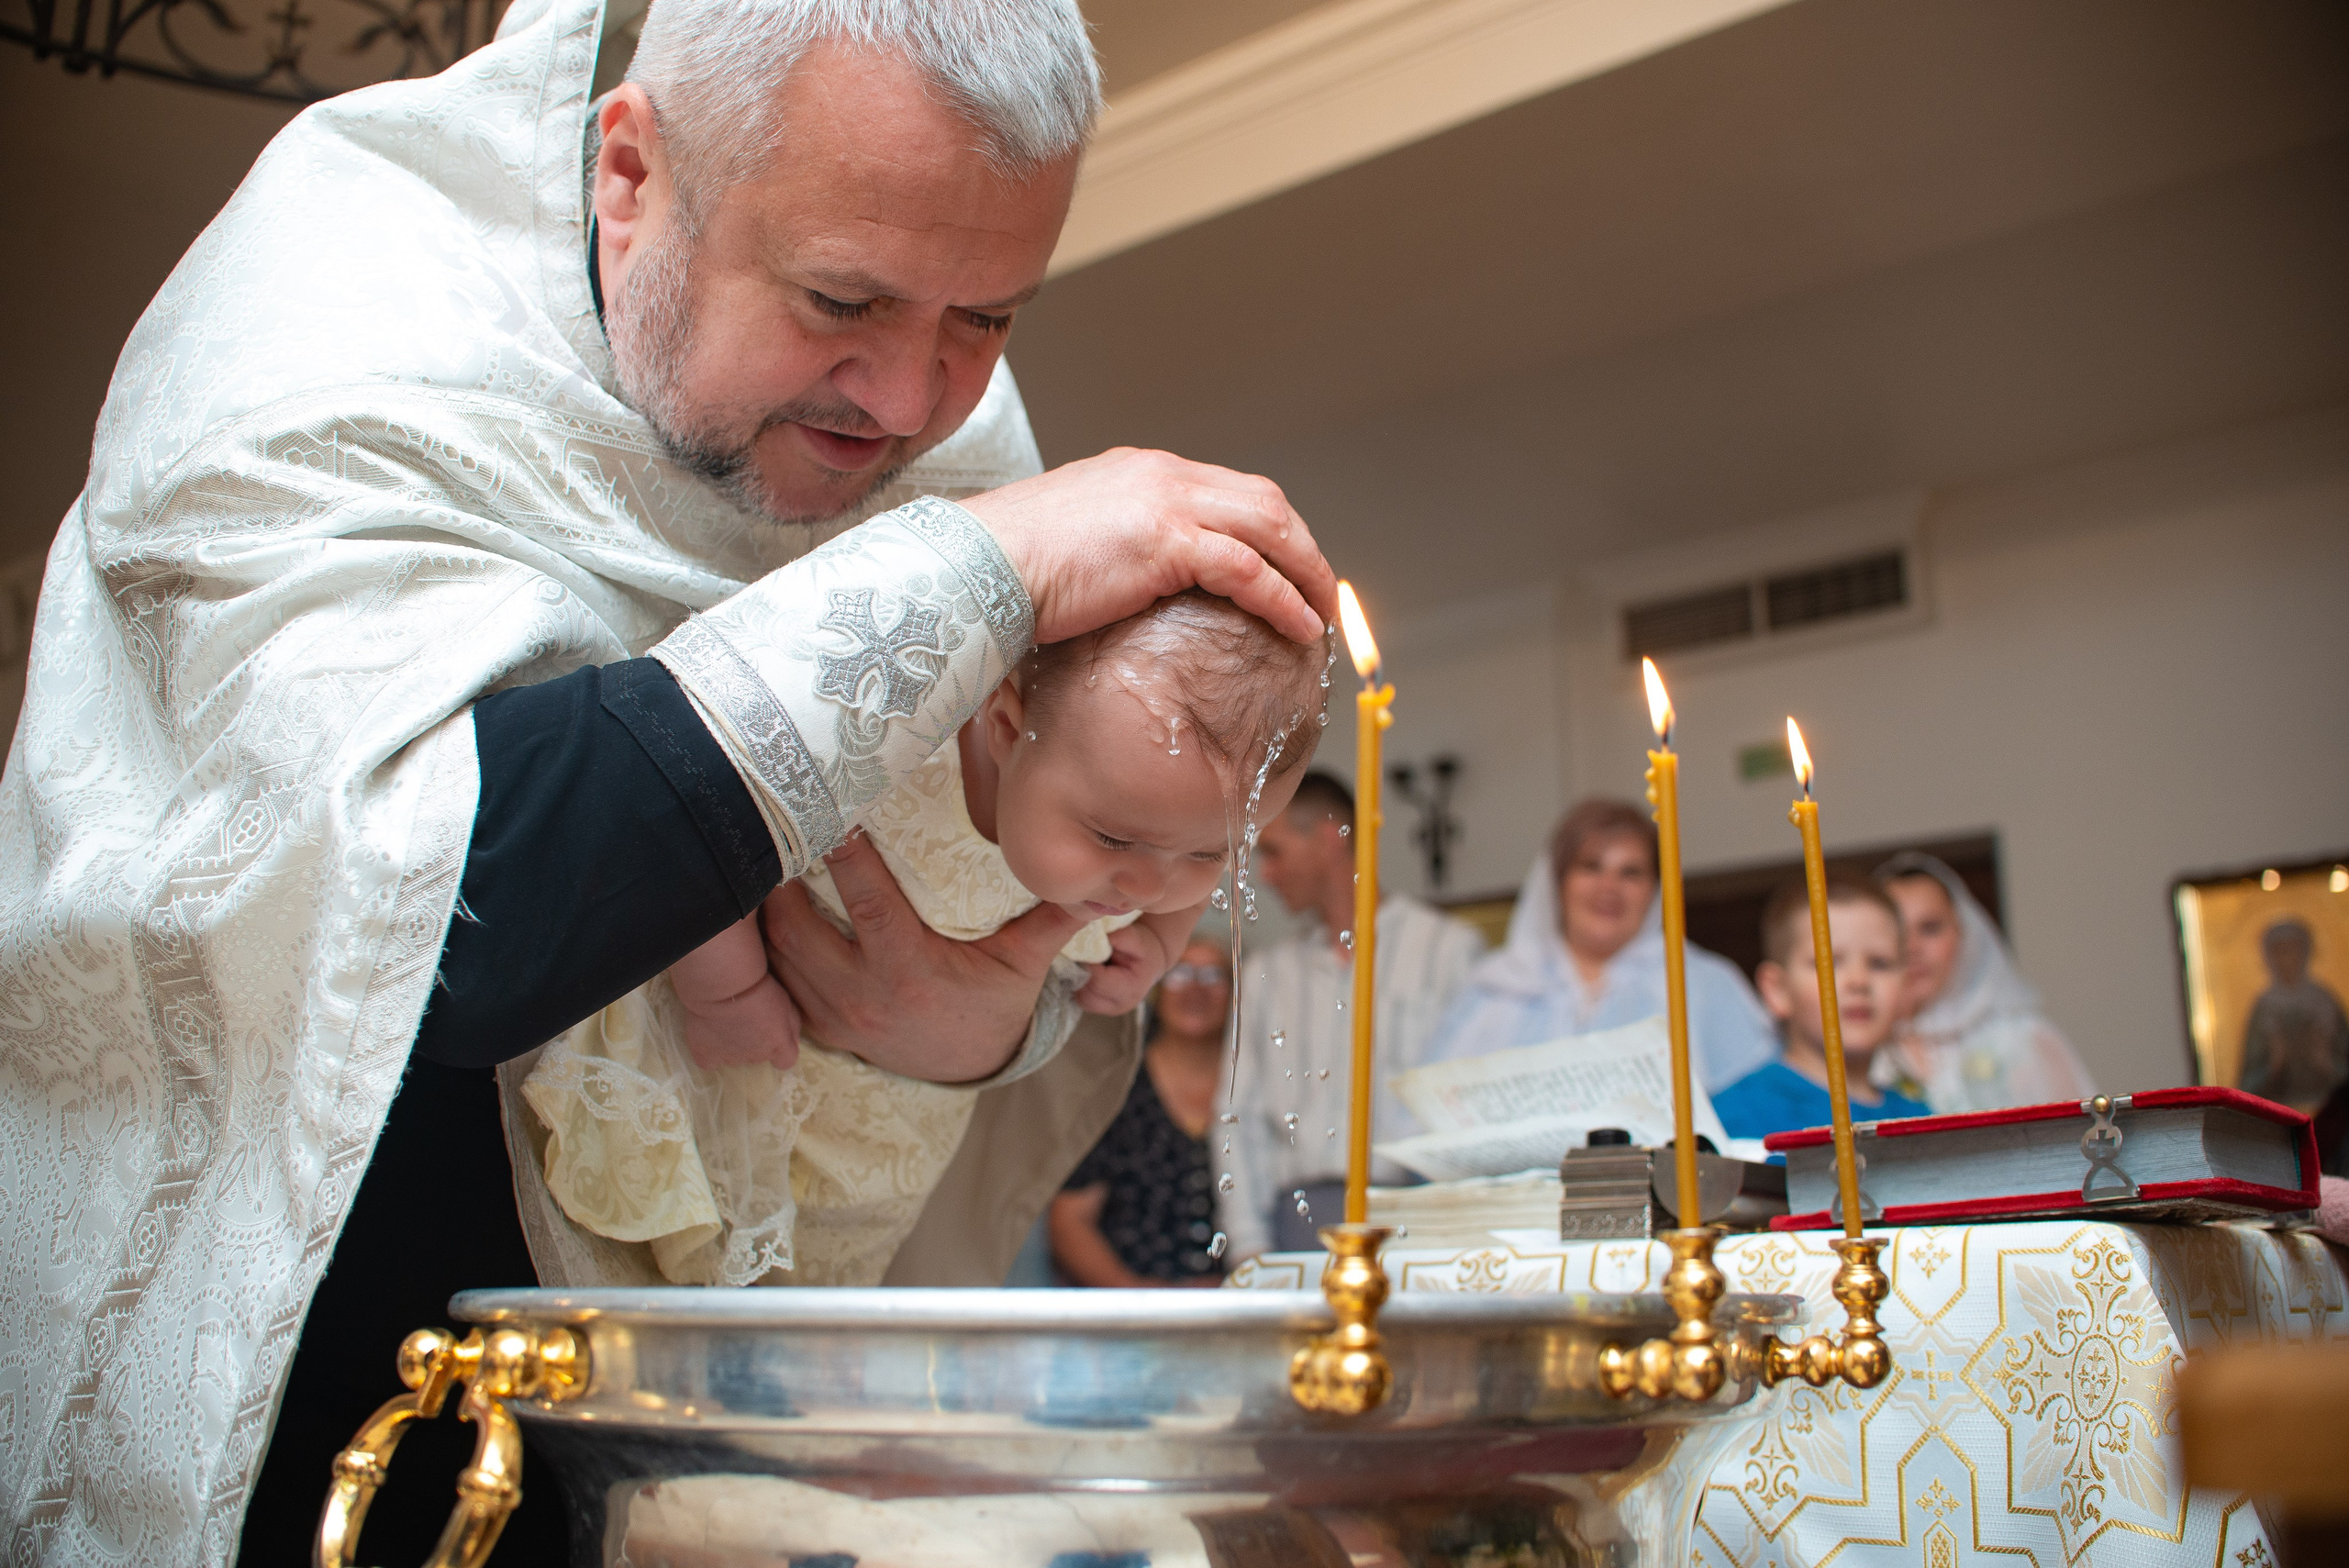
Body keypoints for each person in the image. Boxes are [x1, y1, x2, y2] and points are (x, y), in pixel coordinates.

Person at [0, 1, 1341, 1561]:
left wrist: (984, 1024)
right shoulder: (337, 306)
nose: (910, 405)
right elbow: (430, 914)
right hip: (310, 1370)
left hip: (681, 1415)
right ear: (631, 173)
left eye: (987, 320)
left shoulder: (919, 419)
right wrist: (979, 562)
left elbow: (995, 882)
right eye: (843, 295)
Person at [525, 593, 1322, 1286]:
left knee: (832, 1274)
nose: (1148, 887)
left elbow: (1162, 889)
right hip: (736, 1052)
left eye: (1210, 854)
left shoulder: (1133, 821)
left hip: (898, 1127)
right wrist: (725, 989)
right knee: (670, 1240)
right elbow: (707, 806)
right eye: (1114, 839)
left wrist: (1160, 943)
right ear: (1006, 725)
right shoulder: (901, 745)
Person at [1220, 772, 1487, 1258]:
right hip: (1298, 1221)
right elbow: (1237, 1118)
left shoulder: (1448, 951)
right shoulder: (1265, 974)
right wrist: (1247, 1247)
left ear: (1327, 838)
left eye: (1273, 851)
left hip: (1421, 1217)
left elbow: (1473, 1099)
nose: (1264, 873)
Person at [1425, 797, 1776, 1092]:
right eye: (1591, 867)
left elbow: (1756, 1105)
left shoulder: (1704, 984)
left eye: (1631, 873)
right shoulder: (1494, 989)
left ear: (1655, 889)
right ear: (1556, 882)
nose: (1609, 887)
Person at [1051, 939, 1235, 1285]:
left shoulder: (1256, 1090)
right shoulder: (1117, 1087)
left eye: (1213, 976)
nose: (1195, 989)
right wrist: (1138, 1297)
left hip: (1242, 1307)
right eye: (1179, 974)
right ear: (1155, 988)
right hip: (1131, 1312)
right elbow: (1069, 1221)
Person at [1872, 851, 2094, 1113]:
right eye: (1896, 931)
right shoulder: (1861, 1049)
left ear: (1965, 935)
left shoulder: (2025, 1038)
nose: (1912, 947)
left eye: (1930, 928)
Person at [1714, 876, 1929, 1140]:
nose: (1859, 981)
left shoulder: (1920, 1120)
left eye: (1879, 963)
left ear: (1905, 986)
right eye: (1829, 963)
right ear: (1778, 990)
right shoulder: (1733, 1117)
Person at [2237, 917, 2349, 1112]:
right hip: (2276, 1117)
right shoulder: (2264, 1009)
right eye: (2280, 951)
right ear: (2269, 957)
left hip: (2334, 1116)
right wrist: (2274, 1063)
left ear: (2306, 952)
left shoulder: (2326, 1003)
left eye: (2293, 950)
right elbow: (2246, 1085)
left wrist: (2326, 1061)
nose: (2287, 959)